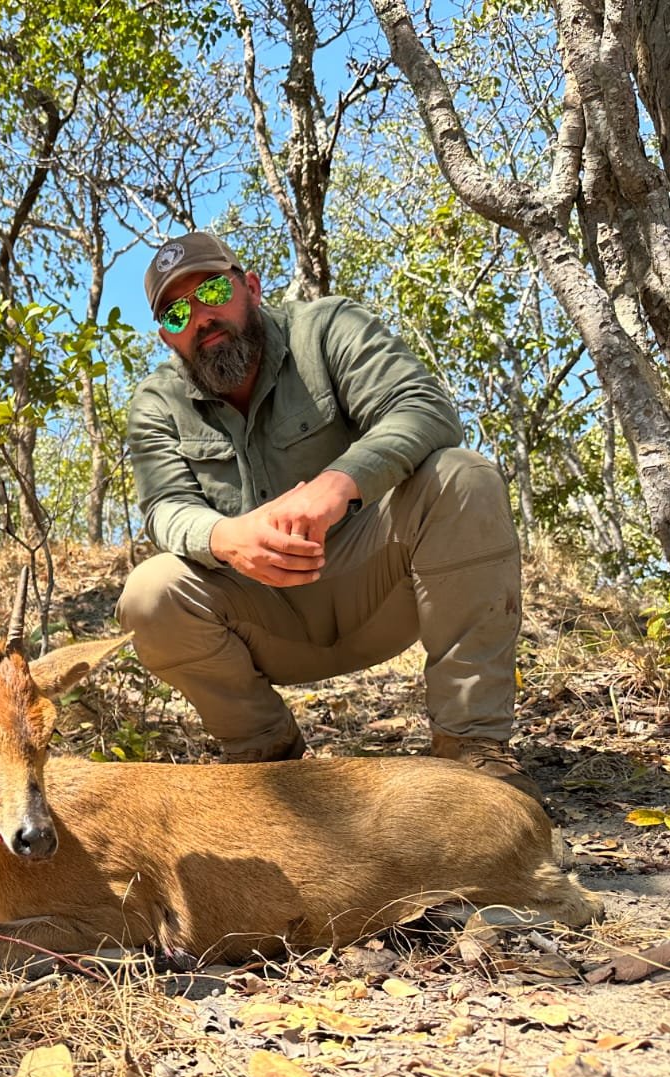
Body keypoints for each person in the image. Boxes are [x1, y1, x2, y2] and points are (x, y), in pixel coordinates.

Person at [116, 231, 540, 799]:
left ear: (251, 286)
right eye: (175, 311)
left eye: (214, 289)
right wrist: (226, 537)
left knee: (463, 476)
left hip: (383, 589)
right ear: (166, 333)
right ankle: (267, 760)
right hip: (264, 619)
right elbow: (165, 508)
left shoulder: (327, 328)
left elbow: (424, 408)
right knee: (150, 592)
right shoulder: (155, 403)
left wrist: (339, 483)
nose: (201, 316)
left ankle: (473, 752)